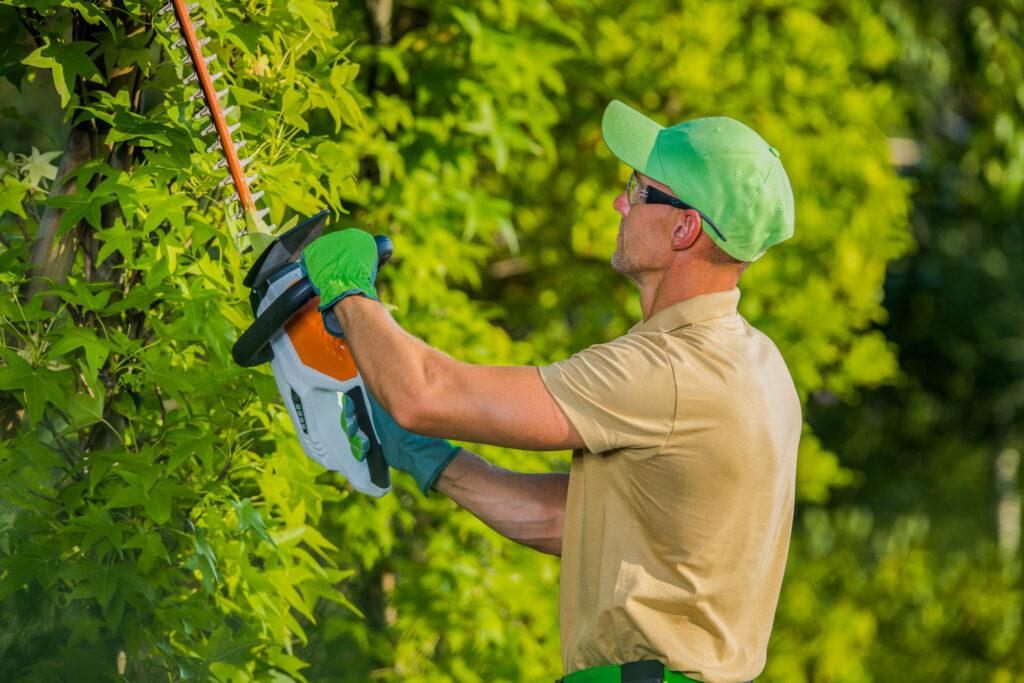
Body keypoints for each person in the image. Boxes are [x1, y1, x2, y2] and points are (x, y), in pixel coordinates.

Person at [301, 100, 801, 683]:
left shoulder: (668, 371)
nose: (620, 202)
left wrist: (348, 292)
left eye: (638, 191)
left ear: (685, 227)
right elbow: (576, 524)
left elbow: (424, 392)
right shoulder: (758, 364)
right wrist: (429, 456)